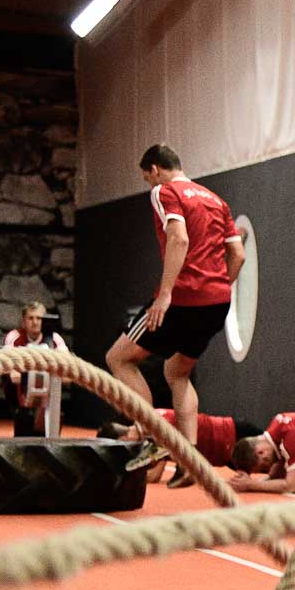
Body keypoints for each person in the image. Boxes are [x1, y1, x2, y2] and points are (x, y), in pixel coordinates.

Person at [105, 144, 244, 457]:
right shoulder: (217, 200)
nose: (149, 186)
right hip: (217, 303)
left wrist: (165, 295)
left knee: (118, 358)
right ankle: (188, 456)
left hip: (183, 299)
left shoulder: (164, 191)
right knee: (176, 372)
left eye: (147, 178)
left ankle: (152, 437)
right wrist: (220, 286)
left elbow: (179, 238)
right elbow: (238, 254)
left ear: (155, 170)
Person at [101, 408, 263, 488]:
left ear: (123, 439)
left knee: (284, 462)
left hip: (236, 434)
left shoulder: (155, 426)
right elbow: (154, 476)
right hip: (224, 456)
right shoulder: (150, 439)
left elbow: (153, 473)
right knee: (278, 476)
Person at [2, 301, 69, 436]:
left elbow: (68, 373)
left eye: (39, 318)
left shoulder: (55, 339)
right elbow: (11, 372)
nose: (35, 322)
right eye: (31, 318)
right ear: (23, 322)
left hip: (48, 395)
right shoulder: (14, 337)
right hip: (20, 395)